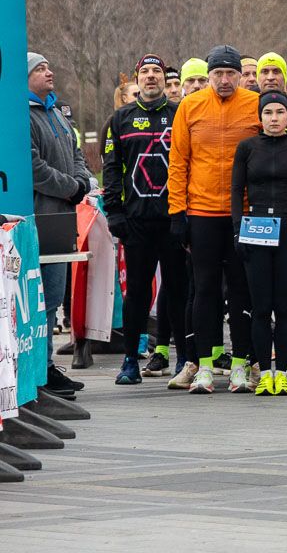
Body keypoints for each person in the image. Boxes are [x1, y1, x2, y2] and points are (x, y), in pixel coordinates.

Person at [167, 44, 261, 394]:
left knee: (241, 290)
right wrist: (177, 212)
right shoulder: (190, 106)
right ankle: (204, 365)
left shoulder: (254, 105)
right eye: (218, 74)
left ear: (240, 75)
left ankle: (240, 365)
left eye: (230, 74)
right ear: (208, 76)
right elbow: (178, 162)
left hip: (244, 214)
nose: (224, 80)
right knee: (205, 289)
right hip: (202, 211)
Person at [103, 54, 187, 385]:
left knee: (179, 290)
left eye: (157, 72)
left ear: (165, 80)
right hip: (137, 220)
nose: (151, 77)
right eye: (145, 72)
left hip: (173, 218)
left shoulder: (179, 114)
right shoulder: (121, 119)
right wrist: (115, 211)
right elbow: (111, 168)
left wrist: (186, 213)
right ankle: (130, 360)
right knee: (137, 292)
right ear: (137, 79)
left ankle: (185, 359)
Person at [232, 92, 287, 396]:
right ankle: (264, 373)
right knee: (260, 307)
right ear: (260, 116)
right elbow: (237, 191)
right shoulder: (247, 147)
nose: (274, 118)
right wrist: (236, 232)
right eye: (268, 112)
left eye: (280, 112)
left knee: (284, 306)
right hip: (255, 228)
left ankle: (281, 371)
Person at [28, 52, 91, 397]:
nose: (49, 72)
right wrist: (71, 188)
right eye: (40, 68)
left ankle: (47, 367)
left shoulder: (57, 112)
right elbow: (34, 168)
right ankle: (35, 368)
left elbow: (77, 152)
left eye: (48, 67)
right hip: (39, 216)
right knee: (36, 300)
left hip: (62, 217)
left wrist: (80, 183)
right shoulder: (22, 116)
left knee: (53, 298)